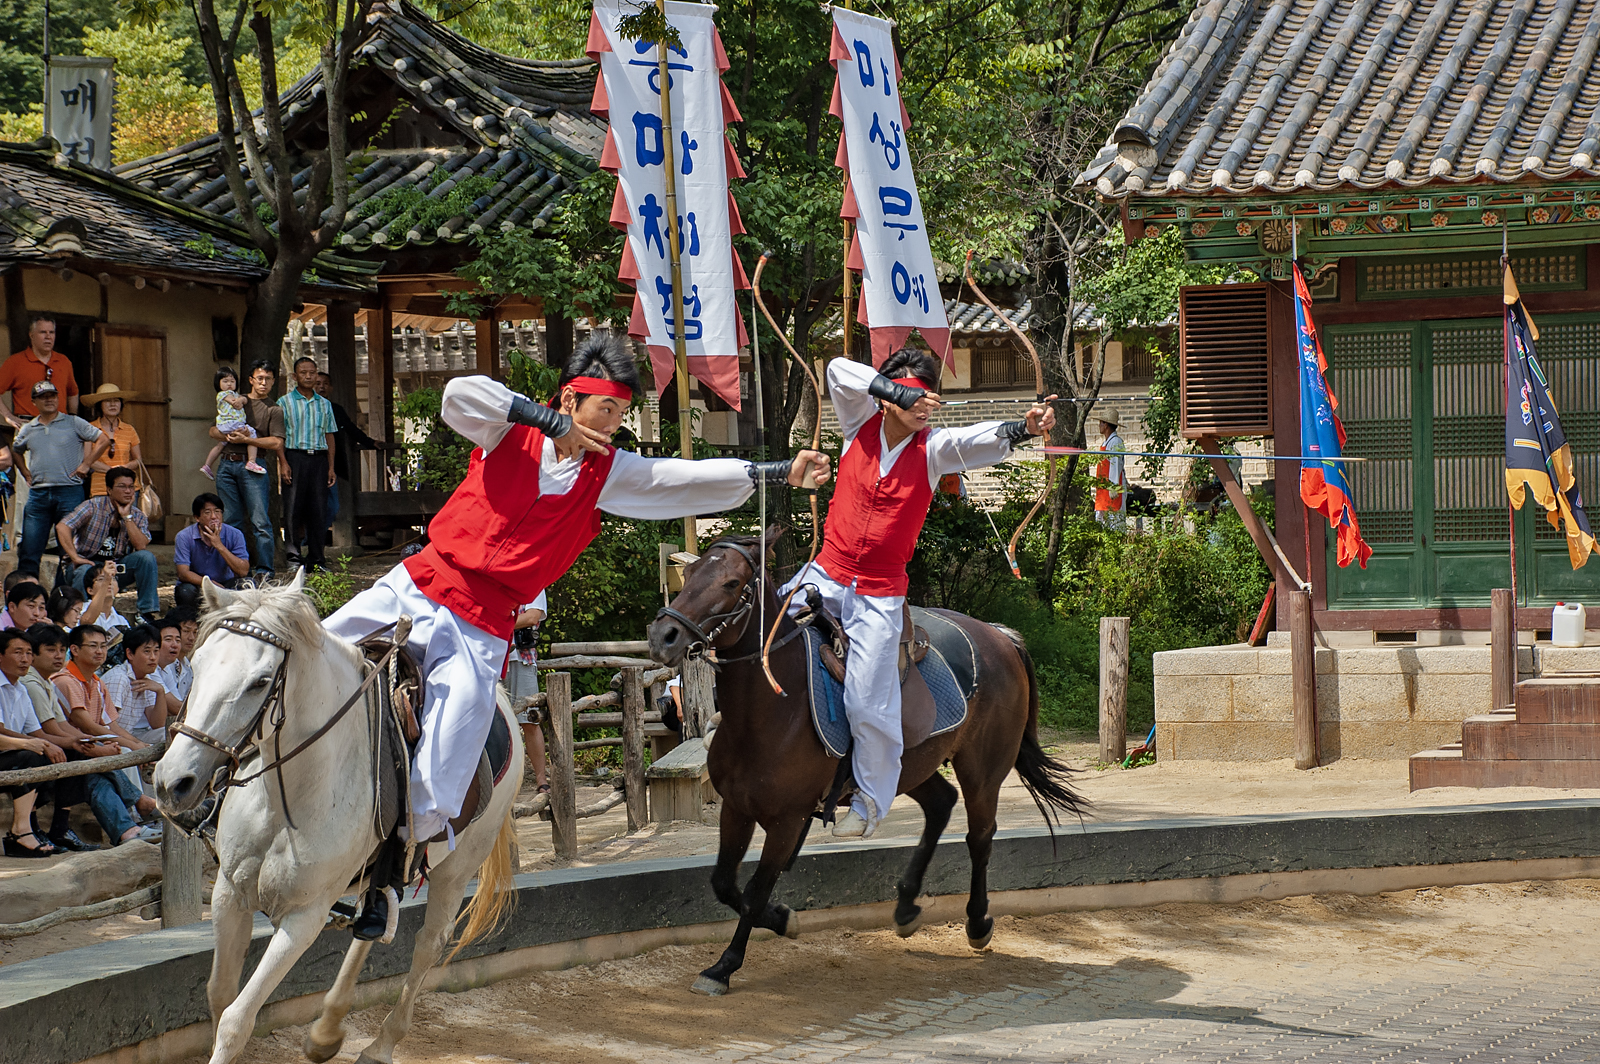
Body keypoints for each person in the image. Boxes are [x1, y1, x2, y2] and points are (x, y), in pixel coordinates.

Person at [321, 333, 829, 938]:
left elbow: (679, 478)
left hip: (483, 626)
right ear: (571, 397)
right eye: (605, 410)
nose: (614, 425)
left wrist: (775, 470)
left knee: (449, 766)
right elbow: (459, 394)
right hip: (419, 581)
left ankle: (385, 874)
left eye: (621, 414)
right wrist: (540, 418)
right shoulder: (507, 430)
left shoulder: (607, 474)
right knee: (309, 648)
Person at [780, 349, 1053, 839]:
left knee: (868, 700)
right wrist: (891, 389)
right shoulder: (858, 423)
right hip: (827, 572)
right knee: (763, 628)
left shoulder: (934, 450)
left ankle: (868, 798)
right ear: (888, 398)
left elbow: (979, 440)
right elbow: (838, 371)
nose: (927, 406)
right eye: (916, 397)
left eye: (931, 398)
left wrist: (1024, 427)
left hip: (880, 593)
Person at [22, 623, 159, 847]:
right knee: (106, 758)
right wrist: (94, 746)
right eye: (50, 650)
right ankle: (137, 811)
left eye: (104, 646)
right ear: (75, 650)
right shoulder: (61, 681)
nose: (100, 651)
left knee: (98, 771)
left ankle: (129, 828)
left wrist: (129, 744)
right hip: (42, 749)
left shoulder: (87, 681)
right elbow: (68, 728)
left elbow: (101, 726)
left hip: (64, 745)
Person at [12, 378, 109, 578]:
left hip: (69, 492)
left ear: (59, 398)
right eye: (43, 397)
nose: (49, 400)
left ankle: (65, 597)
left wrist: (87, 463)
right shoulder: (28, 428)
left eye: (52, 396)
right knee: (29, 549)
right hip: (39, 493)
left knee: (69, 550)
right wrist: (24, 470)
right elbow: (16, 450)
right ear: (34, 402)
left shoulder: (73, 422)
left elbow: (103, 439)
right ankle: (28, 595)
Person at [210, 360, 285, 580]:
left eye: (268, 379)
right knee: (231, 520)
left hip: (254, 466)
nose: (263, 383)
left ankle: (264, 570)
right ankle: (236, 569)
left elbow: (277, 443)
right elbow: (212, 430)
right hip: (227, 462)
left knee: (260, 521)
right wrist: (226, 435)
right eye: (259, 378)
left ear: (273, 382)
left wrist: (248, 439)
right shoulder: (232, 399)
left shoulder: (274, 409)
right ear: (251, 380)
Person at [57, 467, 160, 623]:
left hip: (116, 568)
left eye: (131, 487)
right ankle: (82, 615)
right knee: (83, 570)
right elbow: (62, 527)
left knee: (146, 558)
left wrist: (127, 517)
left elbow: (141, 546)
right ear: (109, 489)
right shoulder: (92, 506)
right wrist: (74, 556)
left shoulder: (137, 515)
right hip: (88, 564)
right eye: (122, 486)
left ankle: (147, 613)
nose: (128, 491)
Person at [0, 629, 62, 856]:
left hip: (8, 754)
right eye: (18, 652)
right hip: (5, 753)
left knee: (55, 755)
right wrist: (31, 744)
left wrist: (52, 744)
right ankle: (20, 831)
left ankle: (38, 828)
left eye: (28, 653)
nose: (25, 659)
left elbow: (35, 731)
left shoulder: (20, 689)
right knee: (31, 755)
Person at [277, 356, 337, 571]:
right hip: (294, 457)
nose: (309, 376)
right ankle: (294, 558)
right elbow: (279, 437)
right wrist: (283, 462)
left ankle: (317, 559)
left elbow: (330, 435)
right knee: (293, 509)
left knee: (319, 510)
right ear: (295, 376)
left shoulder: (325, 404)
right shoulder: (284, 403)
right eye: (303, 373)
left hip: (319, 459)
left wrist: (331, 466)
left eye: (312, 372)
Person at [314, 370, 377, 549]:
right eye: (318, 383)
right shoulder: (306, 408)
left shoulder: (336, 410)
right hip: (308, 462)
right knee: (311, 505)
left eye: (325, 383)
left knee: (332, 507)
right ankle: (305, 544)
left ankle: (315, 541)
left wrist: (370, 442)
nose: (321, 387)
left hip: (330, 464)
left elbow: (351, 429)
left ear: (331, 388)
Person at [102, 625, 180, 750]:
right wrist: (137, 744)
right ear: (130, 654)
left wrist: (160, 691)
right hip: (109, 738)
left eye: (156, 651)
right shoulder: (119, 678)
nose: (153, 657)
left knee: (173, 734)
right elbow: (109, 724)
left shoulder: (146, 678)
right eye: (147, 651)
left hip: (129, 735)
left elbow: (157, 724)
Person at [0, 314, 80, 427]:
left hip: (60, 425)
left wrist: (72, 418)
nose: (48, 337)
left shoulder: (64, 361)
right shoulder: (15, 362)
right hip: (29, 424)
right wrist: (8, 416)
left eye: (51, 332)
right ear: (31, 335)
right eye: (43, 332)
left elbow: (73, 393)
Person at [173, 492, 250, 609]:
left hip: (226, 583)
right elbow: (183, 573)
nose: (214, 517)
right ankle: (192, 624)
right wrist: (210, 584)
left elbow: (243, 571)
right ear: (197, 518)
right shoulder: (184, 536)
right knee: (185, 591)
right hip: (199, 584)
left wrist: (219, 546)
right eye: (207, 513)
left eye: (217, 512)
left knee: (247, 584)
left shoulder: (235, 534)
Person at [505, 591, 549, 795]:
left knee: (530, 721)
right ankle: (501, 781)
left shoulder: (534, 584)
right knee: (488, 723)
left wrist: (496, 622)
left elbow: (532, 616)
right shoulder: (492, 577)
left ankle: (541, 780)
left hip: (521, 658)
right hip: (490, 658)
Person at [82, 384, 143, 499]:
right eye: (107, 401)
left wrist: (124, 467)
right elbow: (88, 460)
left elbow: (138, 460)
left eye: (116, 400)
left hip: (128, 488)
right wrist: (113, 471)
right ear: (100, 405)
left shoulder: (129, 429)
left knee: (127, 517)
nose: (113, 404)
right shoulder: (90, 428)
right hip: (101, 488)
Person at [200, 367, 262, 479]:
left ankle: (207, 465)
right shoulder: (223, 394)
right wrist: (239, 401)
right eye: (225, 381)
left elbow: (244, 400)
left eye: (232, 381)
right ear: (218, 383)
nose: (229, 384)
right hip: (232, 423)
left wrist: (241, 400)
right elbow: (234, 402)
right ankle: (252, 461)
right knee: (252, 433)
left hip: (225, 425)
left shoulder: (235, 394)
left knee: (220, 445)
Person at [1093, 411, 1127, 527]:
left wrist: (1114, 486)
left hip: (1112, 489)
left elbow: (1115, 464)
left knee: (1115, 521)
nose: (1099, 426)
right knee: (1102, 521)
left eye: (1100, 423)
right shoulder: (1106, 443)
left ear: (1106, 425)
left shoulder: (1116, 442)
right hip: (1104, 488)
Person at [153, 613, 193, 704]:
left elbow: (177, 703)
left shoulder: (166, 668)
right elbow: (175, 707)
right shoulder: (150, 669)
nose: (174, 645)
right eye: (168, 639)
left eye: (178, 640)